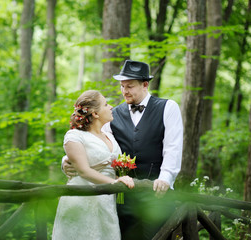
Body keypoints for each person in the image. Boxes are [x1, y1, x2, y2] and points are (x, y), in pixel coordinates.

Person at [63, 60, 183, 240]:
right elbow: (93, 143)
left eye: (130, 86)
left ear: (145, 85)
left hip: (158, 193)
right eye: (122, 86)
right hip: (125, 198)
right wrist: (66, 160)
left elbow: (173, 147)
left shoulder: (168, 107)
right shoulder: (112, 115)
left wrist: (166, 178)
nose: (124, 91)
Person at [52, 90, 134, 240]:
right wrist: (116, 183)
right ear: (95, 114)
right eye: (106, 104)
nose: (111, 107)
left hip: (106, 201)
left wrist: (120, 176)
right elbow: (83, 171)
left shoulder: (109, 136)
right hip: (81, 199)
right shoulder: (74, 136)